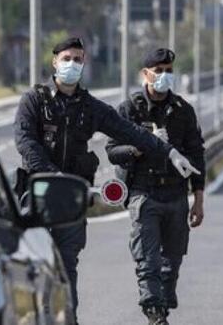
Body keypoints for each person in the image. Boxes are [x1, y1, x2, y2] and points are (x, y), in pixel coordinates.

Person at [13, 37, 199, 323]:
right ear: (54, 62)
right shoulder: (35, 100)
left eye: (77, 59)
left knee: (67, 266)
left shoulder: (90, 107)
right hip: (37, 196)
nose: (72, 64)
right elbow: (25, 142)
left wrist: (170, 152)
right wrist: (54, 175)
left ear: (84, 63)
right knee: (31, 266)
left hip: (71, 200)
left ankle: (67, 320)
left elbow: (131, 132)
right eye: (66, 59)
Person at [106, 48, 205, 325]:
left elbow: (197, 155)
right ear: (145, 74)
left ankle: (161, 305)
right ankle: (154, 314)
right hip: (144, 194)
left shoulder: (183, 111)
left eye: (169, 71)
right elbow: (112, 150)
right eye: (158, 70)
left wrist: (198, 199)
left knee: (171, 264)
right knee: (148, 261)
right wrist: (139, 147)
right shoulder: (129, 110)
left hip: (176, 195)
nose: (164, 75)